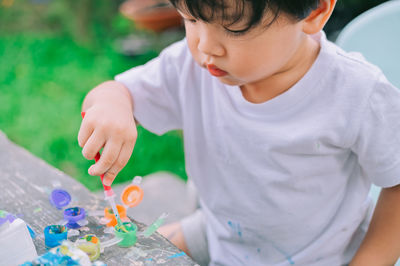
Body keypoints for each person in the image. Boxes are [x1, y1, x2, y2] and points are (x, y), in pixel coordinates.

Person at [77, 0, 400, 265]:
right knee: (121, 255)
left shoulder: (355, 92)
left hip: (321, 255)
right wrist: (112, 102)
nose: (205, 46)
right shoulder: (188, 67)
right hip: (220, 235)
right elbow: (117, 91)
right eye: (190, 19)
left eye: (232, 27)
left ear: (314, 13)